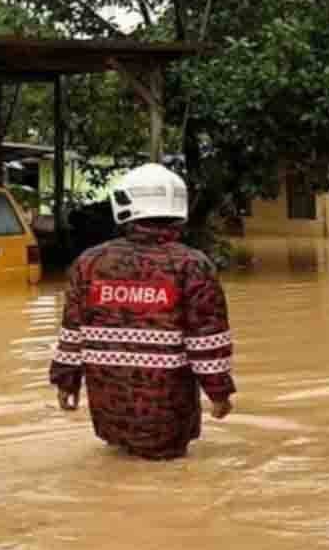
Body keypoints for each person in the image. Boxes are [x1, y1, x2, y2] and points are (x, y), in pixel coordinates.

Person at [50, 163, 236, 459]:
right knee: (166, 476)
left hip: (107, 406)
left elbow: (72, 331)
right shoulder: (191, 265)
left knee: (116, 465)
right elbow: (207, 339)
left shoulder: (89, 263)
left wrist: (66, 382)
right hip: (168, 413)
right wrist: (219, 393)